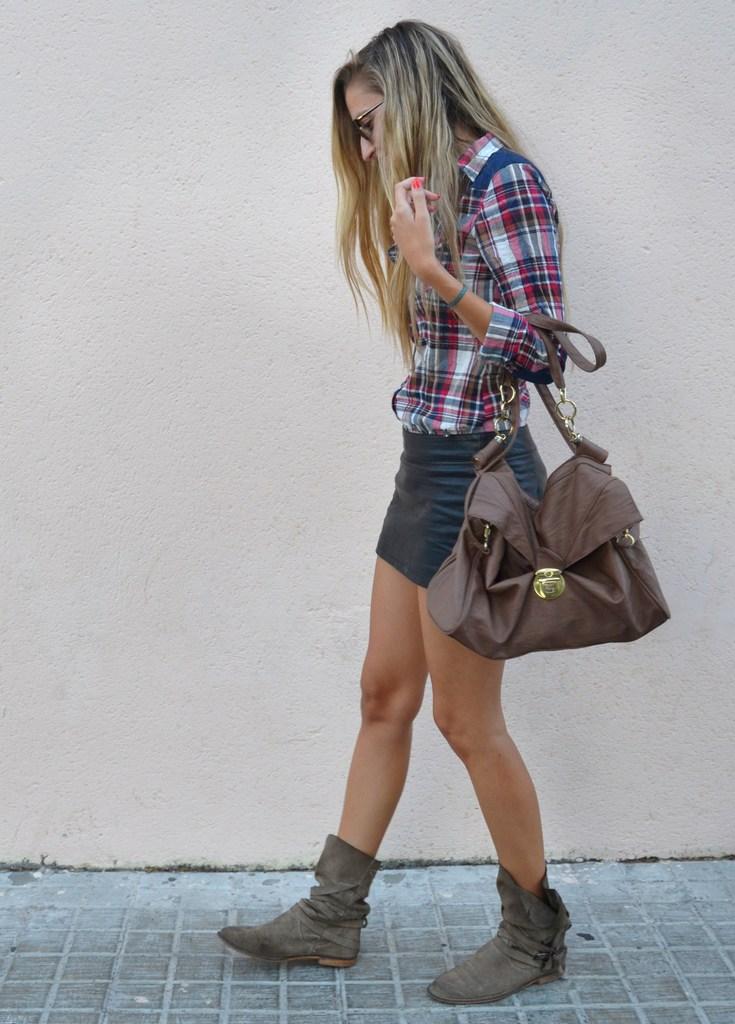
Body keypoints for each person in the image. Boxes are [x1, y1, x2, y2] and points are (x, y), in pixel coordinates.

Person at [217, 19, 573, 1006]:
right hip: (425, 466)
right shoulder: (425, 192)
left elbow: (543, 345)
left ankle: (534, 929)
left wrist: (434, 273)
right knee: (383, 694)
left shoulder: (506, 182)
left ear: (421, 98)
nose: (366, 149)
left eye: (372, 125)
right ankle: (334, 915)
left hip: (482, 481)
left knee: (466, 721)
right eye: (357, 134)